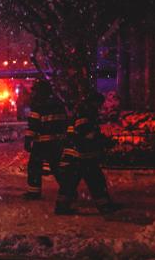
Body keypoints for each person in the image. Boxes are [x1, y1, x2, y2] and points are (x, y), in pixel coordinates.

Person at [55, 85, 120, 215]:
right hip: (82, 156)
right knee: (96, 181)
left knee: (70, 184)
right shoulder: (87, 112)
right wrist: (101, 141)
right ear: (94, 102)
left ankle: (62, 207)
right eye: (99, 104)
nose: (100, 107)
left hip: (77, 156)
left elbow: (83, 132)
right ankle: (105, 207)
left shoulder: (83, 110)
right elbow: (84, 131)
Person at [22, 80, 68, 200]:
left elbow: (33, 125)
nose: (33, 93)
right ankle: (68, 190)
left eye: (35, 90)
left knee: (34, 166)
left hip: (41, 142)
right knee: (57, 167)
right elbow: (65, 122)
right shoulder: (58, 103)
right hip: (57, 142)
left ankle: (34, 192)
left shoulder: (38, 105)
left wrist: (28, 140)